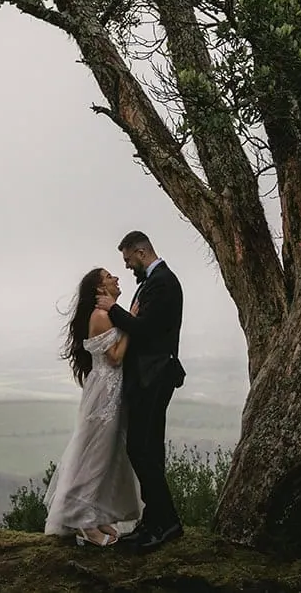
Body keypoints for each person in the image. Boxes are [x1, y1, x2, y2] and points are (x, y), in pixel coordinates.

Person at [98, 230, 185, 553]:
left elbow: (144, 329)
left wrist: (113, 307)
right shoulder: (154, 281)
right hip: (149, 377)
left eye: (128, 259)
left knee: (141, 448)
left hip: (154, 377)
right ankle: (157, 520)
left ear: (140, 252)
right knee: (148, 449)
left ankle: (166, 523)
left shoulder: (162, 282)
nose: (127, 266)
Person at [43, 267, 143, 546]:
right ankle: (82, 522)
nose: (116, 279)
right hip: (104, 395)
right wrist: (131, 322)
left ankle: (97, 515)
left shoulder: (108, 314)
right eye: (109, 277)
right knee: (96, 454)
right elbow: (114, 358)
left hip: (111, 392)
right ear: (100, 289)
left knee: (110, 454)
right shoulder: (100, 317)